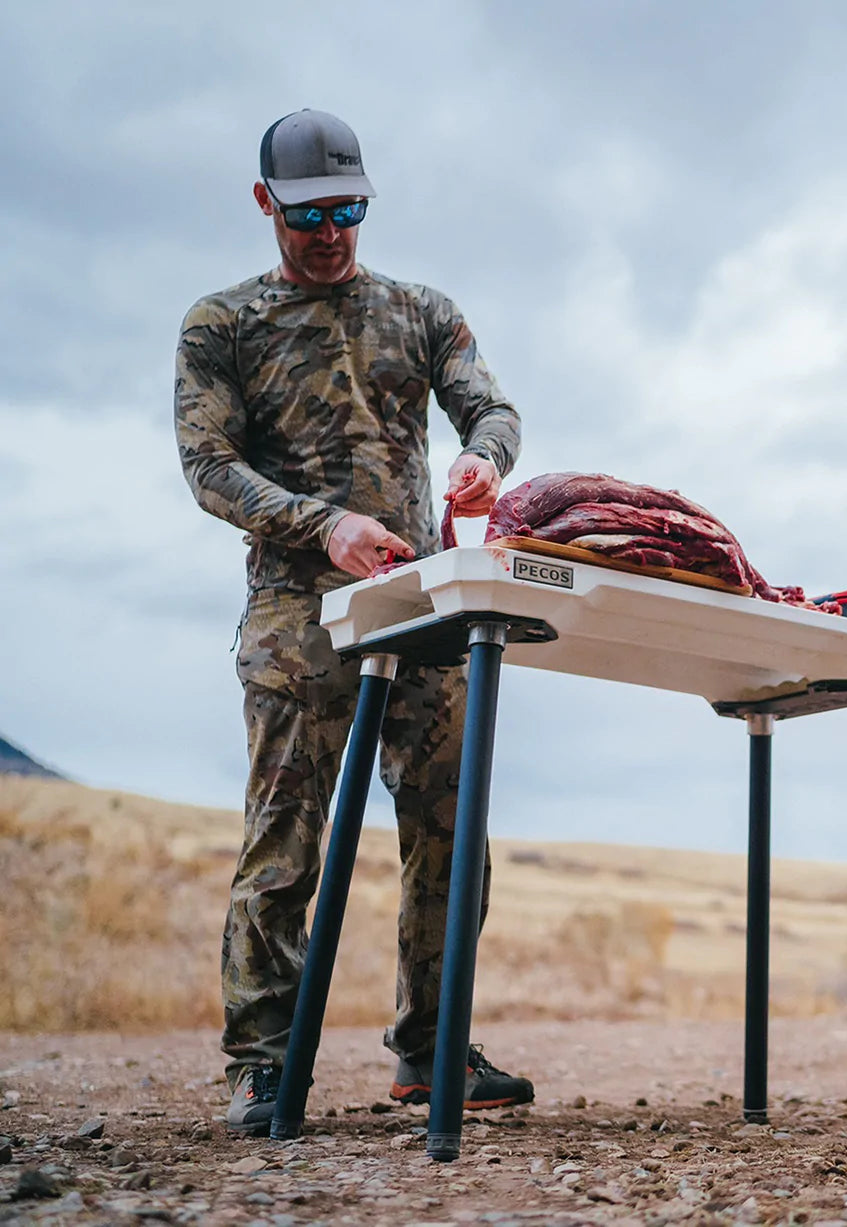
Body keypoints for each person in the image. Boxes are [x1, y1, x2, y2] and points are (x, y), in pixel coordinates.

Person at [174, 109, 534, 1136]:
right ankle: (261, 1065)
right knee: (286, 839)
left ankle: (431, 1049)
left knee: (450, 832)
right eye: (308, 215)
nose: (330, 231)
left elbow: (490, 407)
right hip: (298, 610)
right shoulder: (222, 325)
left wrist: (484, 459)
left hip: (422, 605)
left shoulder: (421, 311)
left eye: (348, 210)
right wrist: (318, 525)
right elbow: (207, 466)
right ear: (266, 206)